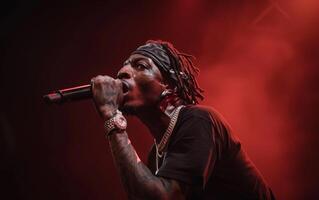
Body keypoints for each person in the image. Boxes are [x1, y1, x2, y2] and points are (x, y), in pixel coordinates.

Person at [90, 40, 275, 199]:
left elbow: (166, 197)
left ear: (170, 86)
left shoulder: (200, 121)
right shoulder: (156, 156)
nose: (122, 71)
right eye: (125, 65)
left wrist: (110, 114)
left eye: (140, 66)